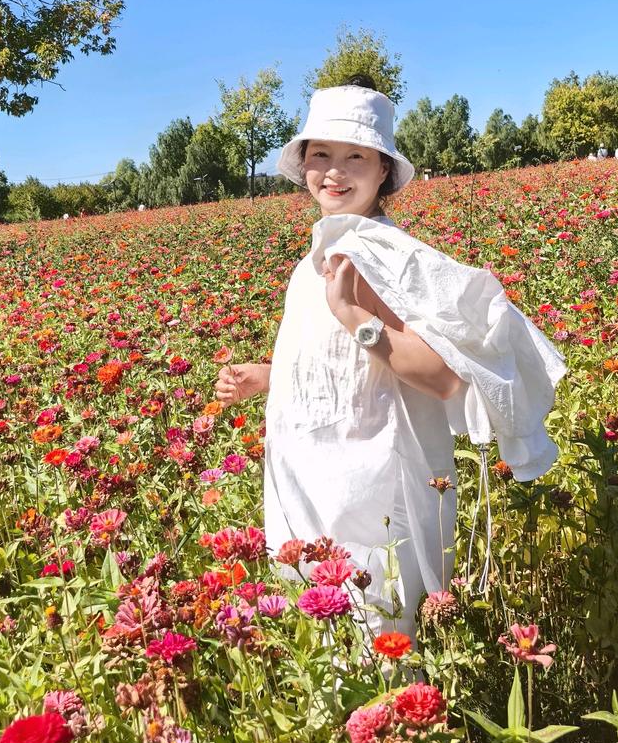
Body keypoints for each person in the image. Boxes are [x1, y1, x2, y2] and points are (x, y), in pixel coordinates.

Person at [214, 76, 567, 642]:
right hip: (312, 473)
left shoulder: (381, 257)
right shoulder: (320, 254)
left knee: (373, 636)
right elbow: (339, 369)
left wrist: (353, 315)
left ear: (383, 171)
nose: (334, 170)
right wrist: (267, 377)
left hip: (372, 486)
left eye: (355, 156)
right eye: (320, 153)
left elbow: (442, 377)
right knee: (323, 637)